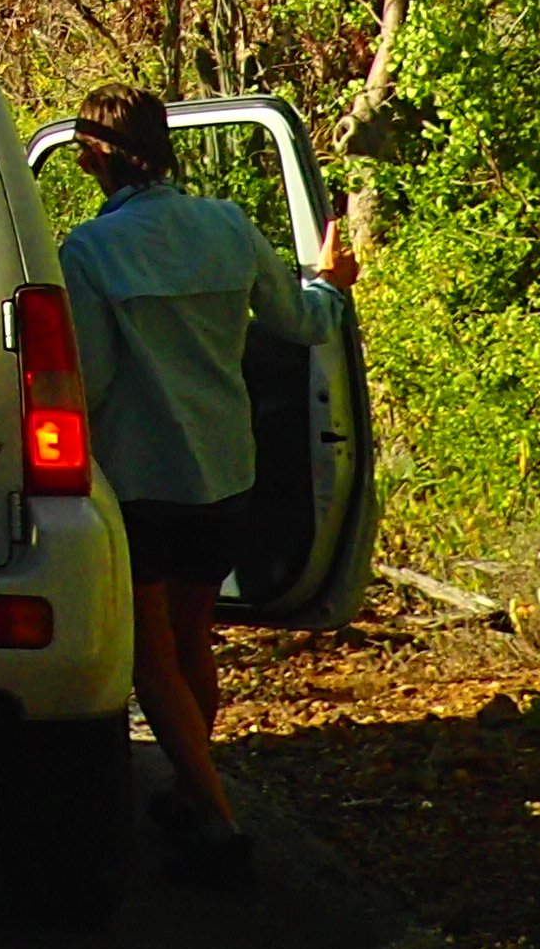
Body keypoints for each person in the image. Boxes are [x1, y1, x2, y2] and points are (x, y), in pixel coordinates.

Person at [56, 81, 358, 889]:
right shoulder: (226, 225)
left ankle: (218, 819)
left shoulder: (86, 253)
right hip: (226, 474)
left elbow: (89, 378)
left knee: (149, 658)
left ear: (91, 157)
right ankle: (196, 793)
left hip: (141, 479)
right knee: (193, 638)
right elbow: (297, 324)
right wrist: (331, 283)